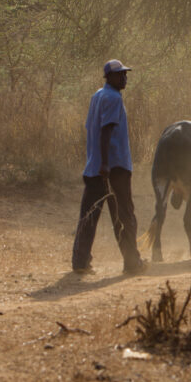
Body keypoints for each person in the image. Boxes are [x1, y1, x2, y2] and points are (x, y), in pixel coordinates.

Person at [71, 59, 146, 275]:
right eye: (120, 75)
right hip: (114, 169)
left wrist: (98, 162)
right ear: (109, 77)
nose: (124, 78)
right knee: (124, 215)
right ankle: (132, 263)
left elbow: (90, 128)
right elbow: (106, 131)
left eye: (125, 74)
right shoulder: (113, 98)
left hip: (94, 169)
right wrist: (106, 163)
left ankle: (80, 262)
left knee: (88, 216)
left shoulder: (97, 96)